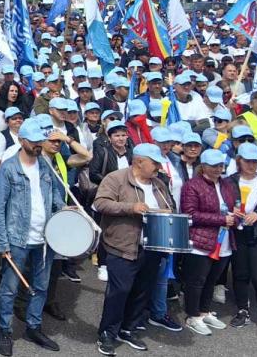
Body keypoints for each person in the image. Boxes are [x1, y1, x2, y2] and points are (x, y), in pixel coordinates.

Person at [92, 143, 176, 355]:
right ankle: (107, 333)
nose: (158, 167)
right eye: (155, 163)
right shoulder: (116, 178)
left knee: (142, 291)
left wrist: (168, 212)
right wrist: (130, 208)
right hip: (122, 246)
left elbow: (171, 207)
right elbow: (100, 203)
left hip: (152, 247)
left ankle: (128, 329)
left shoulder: (159, 184)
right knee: (119, 292)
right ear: (139, 161)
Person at [0, 119, 65, 356]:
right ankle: (4, 330)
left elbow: (55, 194)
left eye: (39, 141)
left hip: (45, 238)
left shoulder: (45, 165)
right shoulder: (8, 169)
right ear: (22, 140)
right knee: (9, 289)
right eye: (33, 142)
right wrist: (2, 242)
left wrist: (64, 208)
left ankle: (34, 327)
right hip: (17, 238)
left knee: (41, 286)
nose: (38, 145)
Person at [180, 148, 240, 335]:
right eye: (214, 166)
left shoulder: (226, 184)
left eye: (220, 165)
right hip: (201, 240)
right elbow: (190, 214)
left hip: (224, 240)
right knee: (197, 280)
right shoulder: (192, 185)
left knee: (212, 279)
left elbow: (232, 206)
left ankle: (204, 311)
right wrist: (221, 219)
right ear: (203, 166)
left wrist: (235, 216)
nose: (218, 169)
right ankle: (192, 315)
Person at [227, 142, 257, 337]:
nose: (252, 165)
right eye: (247, 161)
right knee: (240, 274)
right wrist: (230, 210)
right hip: (238, 233)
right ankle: (242, 310)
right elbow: (221, 203)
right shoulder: (229, 181)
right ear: (239, 161)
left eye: (255, 162)